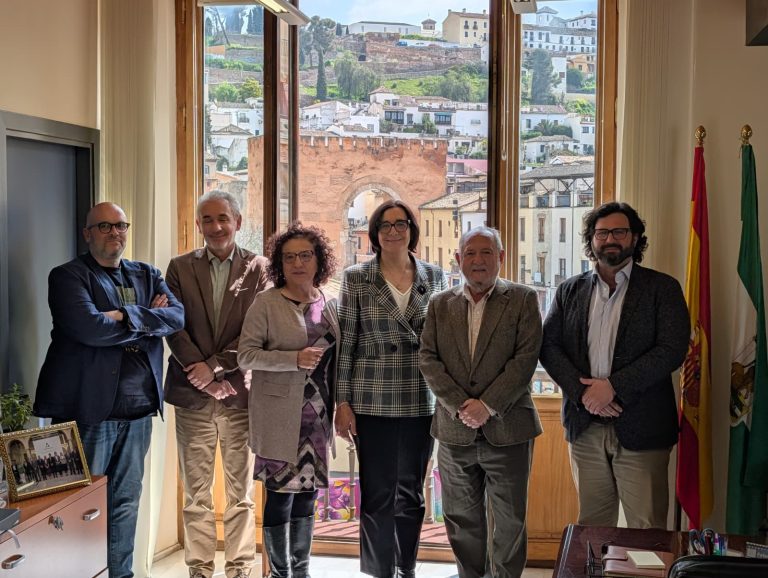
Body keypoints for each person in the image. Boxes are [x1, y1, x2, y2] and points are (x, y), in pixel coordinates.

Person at [35, 201, 184, 577]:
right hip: (87, 411)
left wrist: (121, 315)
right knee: (77, 505)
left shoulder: (147, 274)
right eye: (104, 226)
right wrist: (147, 321)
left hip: (139, 411)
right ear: (87, 234)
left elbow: (176, 317)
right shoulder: (68, 276)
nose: (115, 232)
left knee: (125, 502)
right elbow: (89, 329)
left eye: (120, 225)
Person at [540, 201, 689, 529]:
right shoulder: (569, 290)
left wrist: (613, 387)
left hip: (643, 428)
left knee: (646, 530)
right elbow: (549, 347)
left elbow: (671, 350)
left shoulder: (662, 289)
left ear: (635, 238)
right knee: (592, 528)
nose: (610, 239)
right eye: (602, 233)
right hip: (585, 427)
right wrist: (584, 393)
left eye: (619, 232)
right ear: (591, 240)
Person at [420, 227, 542, 578]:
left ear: (501, 257)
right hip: (454, 431)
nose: (478, 260)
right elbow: (428, 359)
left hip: (508, 430)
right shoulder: (440, 304)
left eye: (486, 252)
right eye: (470, 253)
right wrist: (461, 405)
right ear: (458, 259)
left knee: (510, 521)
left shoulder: (522, 299)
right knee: (461, 520)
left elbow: (525, 360)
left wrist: (486, 405)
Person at [334, 200, 448, 578]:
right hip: (372, 397)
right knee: (377, 492)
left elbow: (443, 341)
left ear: (412, 230)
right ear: (375, 233)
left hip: (420, 396)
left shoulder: (435, 276)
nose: (393, 231)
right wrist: (343, 402)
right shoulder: (356, 277)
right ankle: (379, 570)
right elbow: (347, 344)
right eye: (385, 225)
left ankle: (406, 567)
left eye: (401, 224)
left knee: (411, 492)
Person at [164, 191, 270, 578]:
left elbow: (257, 331)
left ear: (238, 222)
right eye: (207, 219)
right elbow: (173, 326)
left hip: (240, 395)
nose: (216, 226)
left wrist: (214, 369)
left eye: (223, 218)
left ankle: (240, 568)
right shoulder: (179, 268)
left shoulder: (259, 268)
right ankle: (200, 568)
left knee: (241, 493)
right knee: (196, 493)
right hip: (192, 397)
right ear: (198, 225)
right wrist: (203, 376)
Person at [238, 223, 339, 578]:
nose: (298, 263)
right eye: (289, 257)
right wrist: (292, 359)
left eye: (305, 255)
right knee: (280, 497)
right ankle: (281, 574)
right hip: (279, 416)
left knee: (308, 497)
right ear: (280, 263)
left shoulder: (329, 302)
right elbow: (246, 355)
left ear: (319, 260)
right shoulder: (266, 302)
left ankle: (301, 571)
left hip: (318, 418)